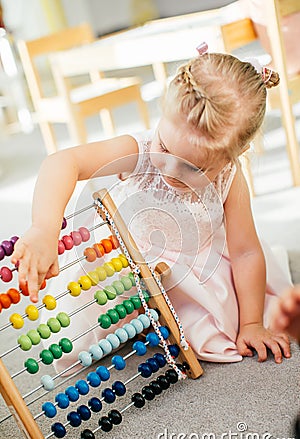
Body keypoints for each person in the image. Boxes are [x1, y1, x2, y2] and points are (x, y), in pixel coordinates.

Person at [11, 44, 292, 368]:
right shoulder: (140, 151)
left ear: (231, 158)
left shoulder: (229, 176)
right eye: (164, 146)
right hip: (127, 263)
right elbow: (64, 162)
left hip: (192, 270)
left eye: (191, 169)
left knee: (214, 335)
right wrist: (44, 228)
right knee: (81, 334)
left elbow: (245, 252)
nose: (169, 169)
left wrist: (252, 323)